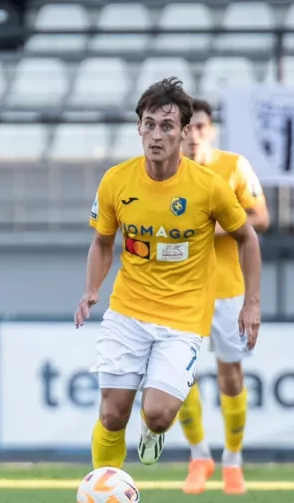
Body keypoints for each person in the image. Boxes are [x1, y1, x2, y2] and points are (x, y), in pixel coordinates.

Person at [75, 77, 263, 472]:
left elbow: (248, 236)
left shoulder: (209, 187)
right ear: (139, 128)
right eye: (148, 124)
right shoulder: (116, 181)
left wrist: (252, 304)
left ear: (183, 133)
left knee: (158, 413)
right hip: (128, 311)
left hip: (183, 318)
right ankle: (103, 490)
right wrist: (91, 290)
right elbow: (102, 243)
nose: (156, 134)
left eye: (167, 126)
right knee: (111, 414)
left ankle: (160, 431)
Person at [175, 99, 269, 496]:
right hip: (181, 290)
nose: (194, 135)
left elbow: (261, 218)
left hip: (228, 290)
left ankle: (233, 460)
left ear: (210, 130)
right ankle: (200, 456)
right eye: (188, 128)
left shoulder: (234, 166)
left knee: (230, 374)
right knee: (179, 375)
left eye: (201, 127)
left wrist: (208, 227)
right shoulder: (167, 172)